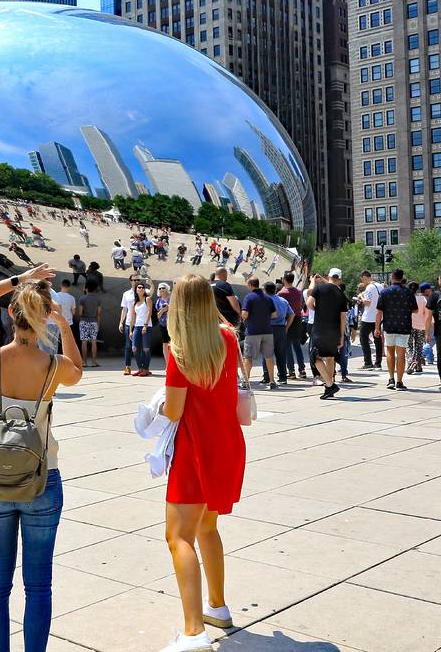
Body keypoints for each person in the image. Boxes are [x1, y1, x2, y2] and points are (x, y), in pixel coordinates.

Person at [0, 265, 83, 652]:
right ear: (43, 316)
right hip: (41, 477)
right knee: (39, 585)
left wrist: (20, 279)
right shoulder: (53, 367)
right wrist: (62, 327)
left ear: (11, 316)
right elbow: (78, 371)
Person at [159, 274, 246, 652]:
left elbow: (174, 410)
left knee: (178, 537)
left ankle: (193, 631)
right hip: (227, 446)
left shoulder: (181, 352)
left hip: (195, 450)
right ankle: (218, 607)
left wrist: (158, 404)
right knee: (208, 528)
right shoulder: (227, 337)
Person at [307, 274, 348, 399]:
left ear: (328, 276)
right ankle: (329, 386)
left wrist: (317, 309)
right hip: (335, 330)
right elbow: (343, 317)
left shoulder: (319, 288)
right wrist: (341, 336)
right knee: (330, 358)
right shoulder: (340, 293)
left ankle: (330, 385)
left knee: (315, 357)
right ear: (339, 279)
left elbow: (309, 304)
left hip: (320, 328)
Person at [374, 269, 416, 391]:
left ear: (392, 277)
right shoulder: (408, 292)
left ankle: (391, 378)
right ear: (402, 277)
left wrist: (377, 328)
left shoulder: (385, 292)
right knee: (401, 354)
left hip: (389, 326)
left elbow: (379, 312)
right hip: (404, 326)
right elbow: (415, 310)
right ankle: (399, 381)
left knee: (390, 352)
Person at [239, 276, 277, 389]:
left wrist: (243, 318)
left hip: (253, 332)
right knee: (269, 357)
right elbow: (275, 314)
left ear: (250, 285)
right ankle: (272, 381)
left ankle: (246, 382)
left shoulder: (249, 297)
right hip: (267, 331)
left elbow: (245, 313)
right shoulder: (268, 298)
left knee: (248, 358)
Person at [278, 273, 307, 380]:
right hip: (298, 319)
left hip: (287, 320)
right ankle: (302, 370)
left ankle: (291, 371)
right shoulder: (298, 292)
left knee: (287, 347)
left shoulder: (281, 293)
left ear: (284, 280)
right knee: (297, 346)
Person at [357, 270, 384, 370]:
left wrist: (361, 298)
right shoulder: (380, 286)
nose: (362, 281)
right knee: (377, 340)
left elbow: (367, 302)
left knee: (363, 339)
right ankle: (378, 362)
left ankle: (368, 362)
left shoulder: (369, 287)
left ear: (365, 277)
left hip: (368, 317)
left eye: (363, 279)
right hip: (378, 317)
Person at [128, 282, 154, 377]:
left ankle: (146, 369)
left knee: (146, 348)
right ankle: (140, 368)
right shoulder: (134, 302)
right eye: (139, 287)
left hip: (146, 326)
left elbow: (149, 312)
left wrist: (145, 325)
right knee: (134, 348)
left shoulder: (147, 299)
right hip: (137, 327)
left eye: (143, 287)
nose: (141, 288)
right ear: (136, 290)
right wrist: (131, 330)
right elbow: (132, 318)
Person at [77, 281, 102, 368]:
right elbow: (99, 313)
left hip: (84, 321)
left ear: (86, 288)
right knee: (94, 342)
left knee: (84, 342)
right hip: (94, 321)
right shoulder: (98, 299)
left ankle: (84, 362)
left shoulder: (82, 299)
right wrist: (98, 324)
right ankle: (94, 362)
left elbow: (80, 313)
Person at [407, 281, 430, 375]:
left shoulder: (407, 298)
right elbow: (427, 314)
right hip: (421, 325)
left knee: (409, 345)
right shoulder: (423, 299)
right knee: (419, 346)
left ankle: (410, 361)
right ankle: (418, 365)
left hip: (408, 325)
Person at [52, 281, 78, 354]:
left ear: (61, 286)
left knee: (56, 341)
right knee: (67, 341)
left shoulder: (55, 296)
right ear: (69, 287)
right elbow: (73, 312)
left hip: (56, 322)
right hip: (68, 322)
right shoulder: (71, 298)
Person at [154, 282, 172, 363]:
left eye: (163, 288)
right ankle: (167, 363)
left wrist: (169, 308)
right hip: (163, 325)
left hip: (172, 324)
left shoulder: (172, 299)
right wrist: (163, 310)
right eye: (160, 288)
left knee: (173, 343)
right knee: (165, 343)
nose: (161, 289)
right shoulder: (158, 301)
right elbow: (157, 316)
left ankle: (174, 363)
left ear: (167, 289)